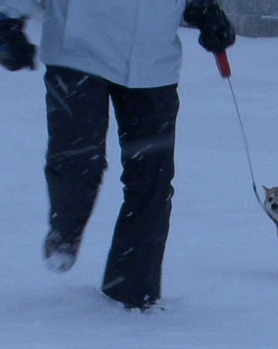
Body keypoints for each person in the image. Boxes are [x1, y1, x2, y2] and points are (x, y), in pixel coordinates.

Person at [0, 0, 235, 311]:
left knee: (153, 180)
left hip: (153, 61)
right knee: (78, 159)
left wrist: (204, 10)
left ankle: (133, 293)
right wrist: (8, 19)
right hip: (78, 52)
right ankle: (66, 230)